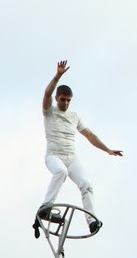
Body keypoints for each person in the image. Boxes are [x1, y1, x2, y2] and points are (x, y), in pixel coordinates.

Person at [37, 61, 122, 233]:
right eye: (63, 100)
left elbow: (90, 135)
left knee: (86, 183)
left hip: (71, 157)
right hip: (54, 155)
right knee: (61, 172)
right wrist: (57, 76)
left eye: (69, 101)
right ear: (57, 98)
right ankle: (45, 207)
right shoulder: (49, 111)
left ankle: (91, 221)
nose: (66, 103)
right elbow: (47, 93)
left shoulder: (74, 116)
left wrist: (107, 149)